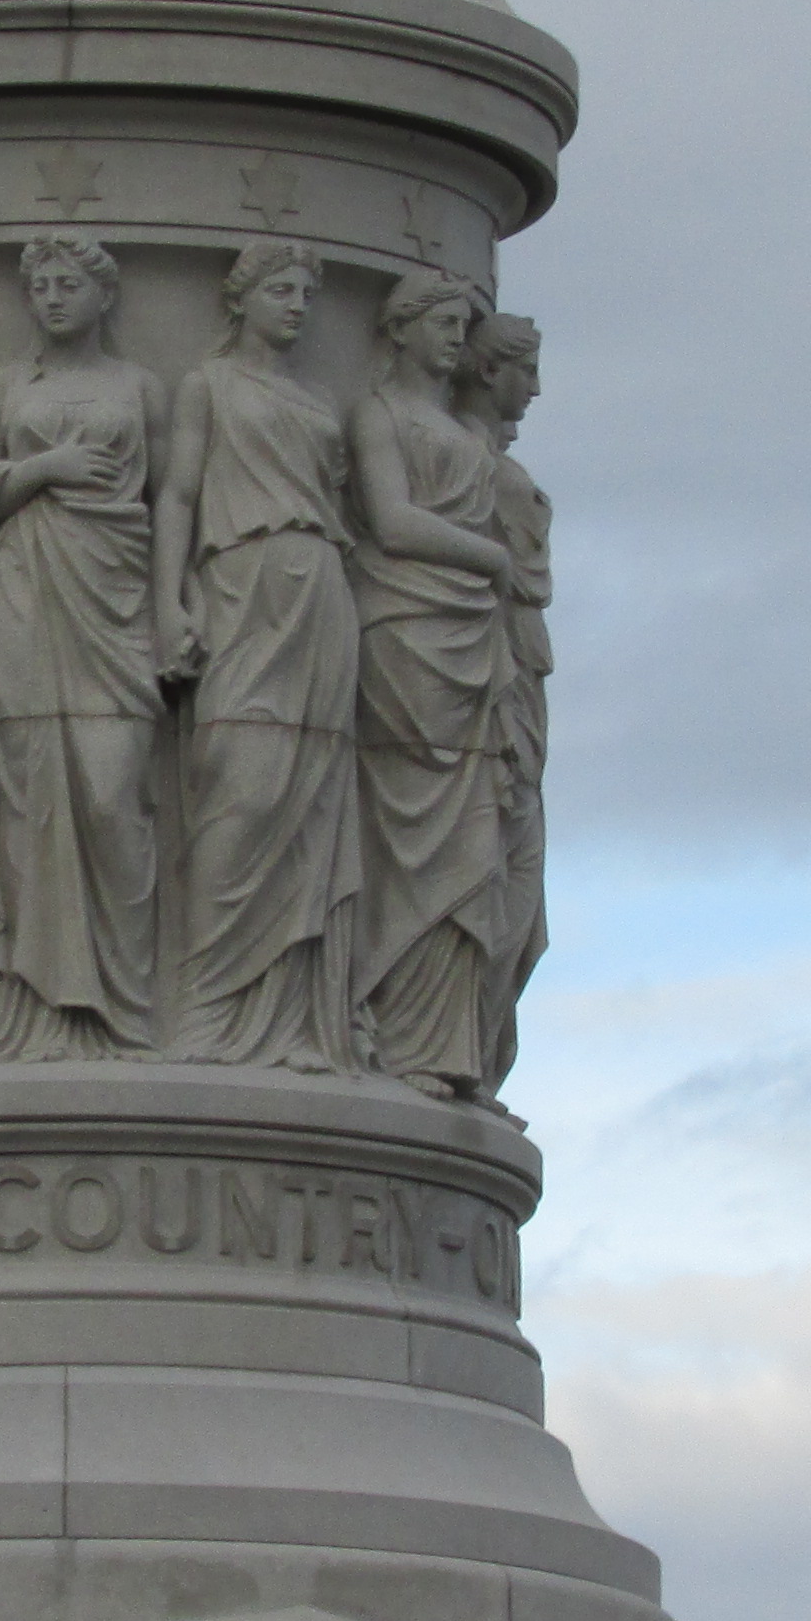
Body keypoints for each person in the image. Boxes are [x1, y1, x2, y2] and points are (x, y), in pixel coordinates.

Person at [0, 234, 170, 1057]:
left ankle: (121, 1000)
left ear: (105, 293)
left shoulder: (140, 386)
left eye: (68, 282)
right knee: (30, 789)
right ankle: (31, 1004)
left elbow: (176, 496)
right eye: (38, 285)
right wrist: (43, 470)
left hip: (115, 596)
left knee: (115, 795)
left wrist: (175, 610)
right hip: (22, 595)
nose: (52, 296)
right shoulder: (5, 388)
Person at [155, 239, 365, 1069]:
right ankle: (207, 1001)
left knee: (311, 800)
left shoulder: (319, 398)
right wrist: (168, 602)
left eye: (307, 293)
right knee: (239, 785)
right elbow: (177, 493)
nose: (298, 305)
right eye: (281, 289)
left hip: (318, 588)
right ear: (239, 298)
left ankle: (296, 1018)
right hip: (240, 585)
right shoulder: (209, 386)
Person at [347, 274, 519, 1099]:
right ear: (402, 328)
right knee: (406, 824)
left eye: (463, 324)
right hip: (407, 627)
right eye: (443, 323)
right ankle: (391, 1024)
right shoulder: (378, 414)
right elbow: (388, 520)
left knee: (469, 840)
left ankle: (443, 1043)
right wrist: (489, 559)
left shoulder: (457, 427)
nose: (456, 338)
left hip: (469, 636)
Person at [458, 310, 556, 1100]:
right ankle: (450, 1047)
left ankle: (471, 1056)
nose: (536, 388)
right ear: (486, 370)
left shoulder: (491, 464)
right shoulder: (466, 465)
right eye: (524, 368)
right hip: (476, 678)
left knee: (519, 910)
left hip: (518, 672)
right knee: (489, 874)